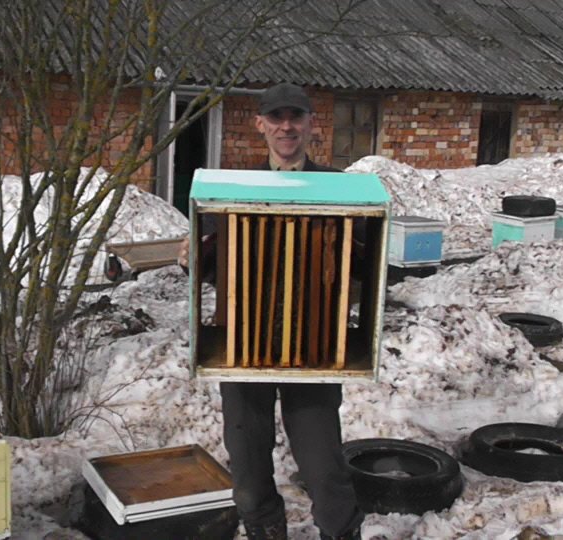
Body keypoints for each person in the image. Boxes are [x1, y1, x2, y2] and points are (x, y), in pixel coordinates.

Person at [178, 83, 364, 540]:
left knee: (324, 468)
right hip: (245, 344)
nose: (286, 127)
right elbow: (216, 267)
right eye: (276, 118)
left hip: (314, 346)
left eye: (295, 117)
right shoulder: (235, 191)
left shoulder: (338, 190)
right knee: (247, 467)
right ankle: (264, 530)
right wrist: (193, 257)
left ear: (310, 124)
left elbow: (362, 264)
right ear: (260, 124)